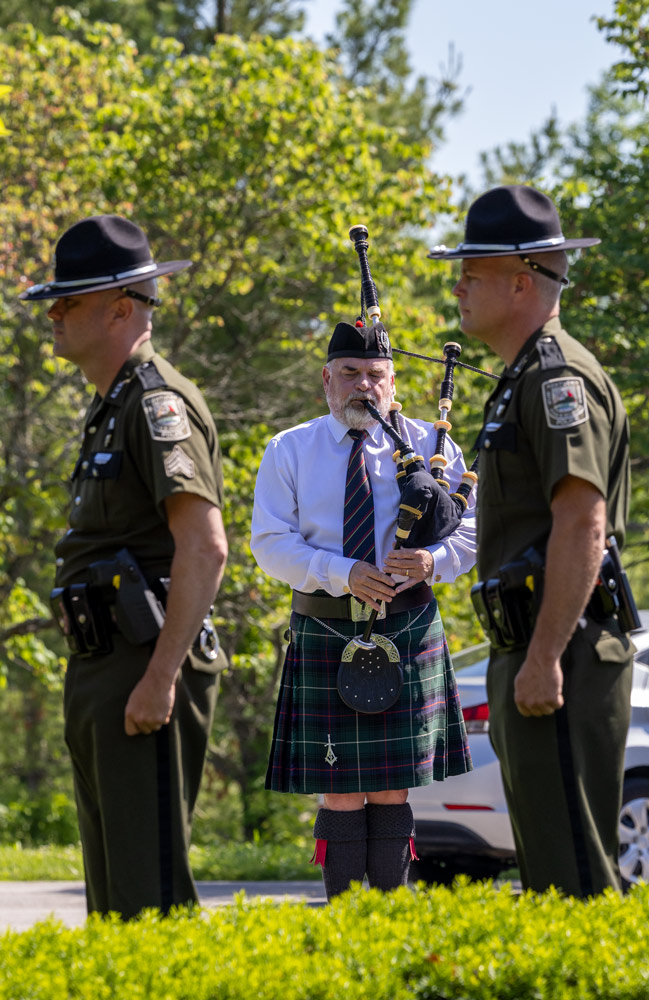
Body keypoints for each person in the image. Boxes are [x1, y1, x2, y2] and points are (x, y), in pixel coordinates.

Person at [428, 184, 635, 897]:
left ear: (521, 282)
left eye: (470, 273)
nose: (456, 287)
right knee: (550, 871)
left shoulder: (556, 377)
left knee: (574, 875)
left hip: (564, 650)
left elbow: (582, 521)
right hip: (535, 645)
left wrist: (544, 654)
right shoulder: (518, 378)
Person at [19, 216, 228, 919]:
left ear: (119, 308)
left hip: (145, 662)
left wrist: (161, 677)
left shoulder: (155, 403)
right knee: (114, 902)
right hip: (106, 662)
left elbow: (204, 546)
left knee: (150, 895)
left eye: (67, 300)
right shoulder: (110, 407)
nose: (53, 313)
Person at [250, 321, 475, 900]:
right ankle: (346, 919)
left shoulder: (433, 446)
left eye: (375, 375)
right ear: (327, 380)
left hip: (408, 624)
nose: (363, 386)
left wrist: (433, 560)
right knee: (340, 788)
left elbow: (474, 529)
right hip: (326, 622)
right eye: (350, 373)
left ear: (392, 383)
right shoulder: (289, 449)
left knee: (394, 787)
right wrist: (342, 572)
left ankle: (389, 919)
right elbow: (269, 544)